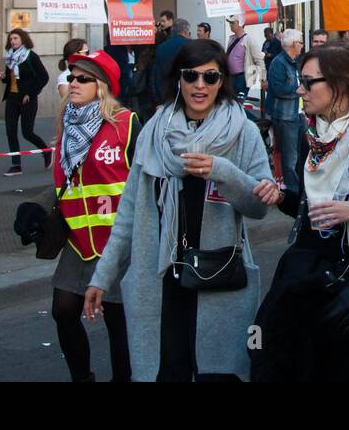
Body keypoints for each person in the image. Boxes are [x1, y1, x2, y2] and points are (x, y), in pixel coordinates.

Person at [86, 39, 271, 381]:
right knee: (167, 370)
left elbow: (258, 207)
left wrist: (222, 171)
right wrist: (102, 276)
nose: (200, 86)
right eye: (192, 76)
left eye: (210, 77)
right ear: (178, 80)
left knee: (217, 373)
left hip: (218, 276)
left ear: (222, 82)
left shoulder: (243, 132)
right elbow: (128, 215)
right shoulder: (153, 132)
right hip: (162, 278)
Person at [253, 43, 349, 381]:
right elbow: (310, 213)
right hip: (310, 276)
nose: (299, 90)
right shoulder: (312, 136)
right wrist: (281, 198)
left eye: (308, 82)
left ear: (340, 84)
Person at [51, 50, 138, 382]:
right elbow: (67, 181)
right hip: (77, 239)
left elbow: (146, 180)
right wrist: (37, 205)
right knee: (63, 309)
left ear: (101, 85)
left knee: (118, 321)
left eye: (82, 78)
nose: (73, 83)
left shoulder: (127, 123)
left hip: (118, 241)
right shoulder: (66, 123)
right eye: (71, 76)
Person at [0, 28, 50, 176]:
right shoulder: (10, 56)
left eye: (15, 38)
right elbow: (10, 79)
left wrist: (30, 93)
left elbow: (43, 77)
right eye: (11, 39)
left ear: (23, 39)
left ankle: (46, 151)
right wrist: (4, 77)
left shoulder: (30, 56)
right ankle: (16, 165)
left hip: (27, 99)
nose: (12, 42)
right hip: (12, 98)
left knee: (27, 133)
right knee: (10, 131)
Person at [265, 29, 306, 192]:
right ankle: (293, 193)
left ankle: (300, 189)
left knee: (301, 154)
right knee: (290, 158)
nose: (303, 46)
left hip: (298, 114)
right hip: (285, 116)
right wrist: (297, 90)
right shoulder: (279, 62)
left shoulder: (294, 61)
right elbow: (277, 88)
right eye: (301, 42)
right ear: (294, 44)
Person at [152, 19, 191, 109]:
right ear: (185, 31)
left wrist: (158, 99)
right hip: (186, 94)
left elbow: (156, 74)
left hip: (165, 94)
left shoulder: (161, 47)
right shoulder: (190, 46)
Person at [224, 15, 266, 100]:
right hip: (231, 77)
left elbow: (259, 60)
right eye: (230, 23)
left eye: (233, 23)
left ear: (240, 24)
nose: (230, 25)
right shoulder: (232, 39)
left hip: (242, 77)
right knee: (231, 103)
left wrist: (263, 78)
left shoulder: (249, 39)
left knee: (238, 103)